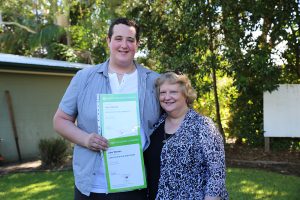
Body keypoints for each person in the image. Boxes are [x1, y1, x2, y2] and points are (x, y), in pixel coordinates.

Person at [53, 18, 160, 199]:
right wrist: (86, 139)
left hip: (135, 184)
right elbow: (60, 120)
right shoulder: (84, 78)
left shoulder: (154, 81)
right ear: (108, 41)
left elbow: (175, 118)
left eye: (130, 40)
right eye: (118, 38)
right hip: (92, 185)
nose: (124, 45)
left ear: (137, 44)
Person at [144, 72, 228, 200]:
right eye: (162, 92)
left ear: (185, 95)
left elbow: (217, 173)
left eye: (173, 92)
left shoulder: (203, 126)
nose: (167, 97)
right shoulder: (156, 125)